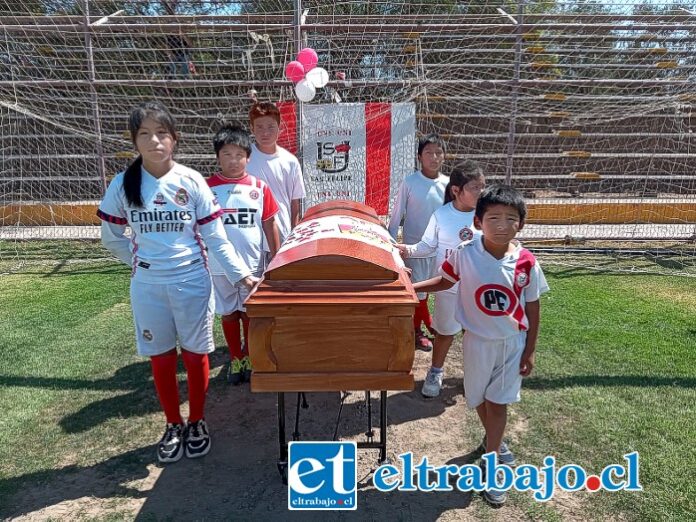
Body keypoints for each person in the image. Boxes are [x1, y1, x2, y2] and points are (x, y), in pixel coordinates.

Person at [97, 101, 257, 464]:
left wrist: (242, 276)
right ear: (134, 140)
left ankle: (197, 421)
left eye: (161, 133)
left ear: (175, 139)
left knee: (197, 352)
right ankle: (173, 424)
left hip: (192, 282)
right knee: (162, 357)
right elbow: (111, 237)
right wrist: (139, 262)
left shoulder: (191, 181)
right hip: (148, 287)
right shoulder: (123, 184)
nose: (154, 141)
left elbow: (216, 238)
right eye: (144, 134)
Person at [414, 184, 549, 506]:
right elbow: (445, 280)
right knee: (478, 399)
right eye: (494, 218)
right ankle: (494, 438)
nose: (502, 226)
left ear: (522, 223)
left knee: (497, 402)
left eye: (511, 219)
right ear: (478, 222)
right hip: (475, 342)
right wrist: (411, 285)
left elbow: (533, 307)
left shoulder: (526, 263)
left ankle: (492, 469)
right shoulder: (465, 253)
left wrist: (529, 349)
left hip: (510, 344)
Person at [397, 160, 485, 397]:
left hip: (477, 290)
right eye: (475, 187)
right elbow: (428, 246)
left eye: (481, 187)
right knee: (445, 333)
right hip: (447, 289)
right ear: (456, 190)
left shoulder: (485, 216)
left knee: (474, 335)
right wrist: (408, 249)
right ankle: (435, 372)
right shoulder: (441, 215)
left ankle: (474, 377)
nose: (480, 192)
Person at [207, 124, 280, 385]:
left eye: (239, 154)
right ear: (218, 157)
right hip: (219, 266)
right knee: (229, 313)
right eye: (227, 154)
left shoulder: (259, 188)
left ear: (248, 158)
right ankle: (236, 358)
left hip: (252, 264)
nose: (233, 160)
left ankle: (249, 355)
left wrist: (276, 255)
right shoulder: (206, 189)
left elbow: (270, 223)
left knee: (250, 311)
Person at [388, 133, 449, 351]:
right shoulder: (410, 182)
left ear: (444, 156)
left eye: (438, 152)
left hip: (441, 249)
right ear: (419, 157)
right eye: (428, 152)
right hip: (415, 249)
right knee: (418, 293)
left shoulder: (448, 184)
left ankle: (435, 324)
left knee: (442, 290)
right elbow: (396, 217)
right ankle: (419, 331)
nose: (434, 157)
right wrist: (391, 245)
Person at [247, 101, 305, 256]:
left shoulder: (290, 161)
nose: (265, 132)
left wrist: (294, 236)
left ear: (279, 128)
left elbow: (295, 204)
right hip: (250, 239)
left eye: (270, 127)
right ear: (252, 129)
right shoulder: (244, 158)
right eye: (259, 127)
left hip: (282, 237)